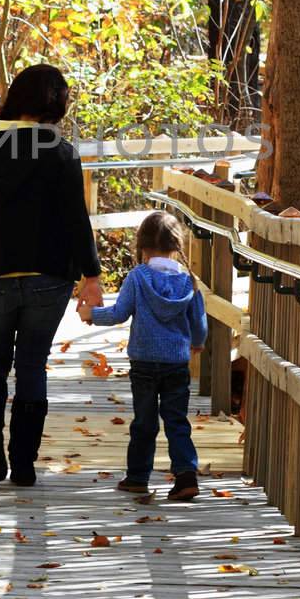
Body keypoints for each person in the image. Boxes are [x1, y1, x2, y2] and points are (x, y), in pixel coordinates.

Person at [0, 65, 103, 486]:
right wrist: (92, 275)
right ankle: (25, 462)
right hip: (49, 275)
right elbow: (76, 219)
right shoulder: (61, 151)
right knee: (32, 365)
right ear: (55, 104)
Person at [80, 210, 205, 502]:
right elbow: (198, 321)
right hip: (176, 363)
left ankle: (137, 477)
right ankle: (186, 476)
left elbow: (119, 313)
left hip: (144, 364)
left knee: (144, 422)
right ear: (177, 245)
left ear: (142, 245)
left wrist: (91, 314)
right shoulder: (189, 282)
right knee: (176, 421)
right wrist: (196, 343)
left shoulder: (138, 278)